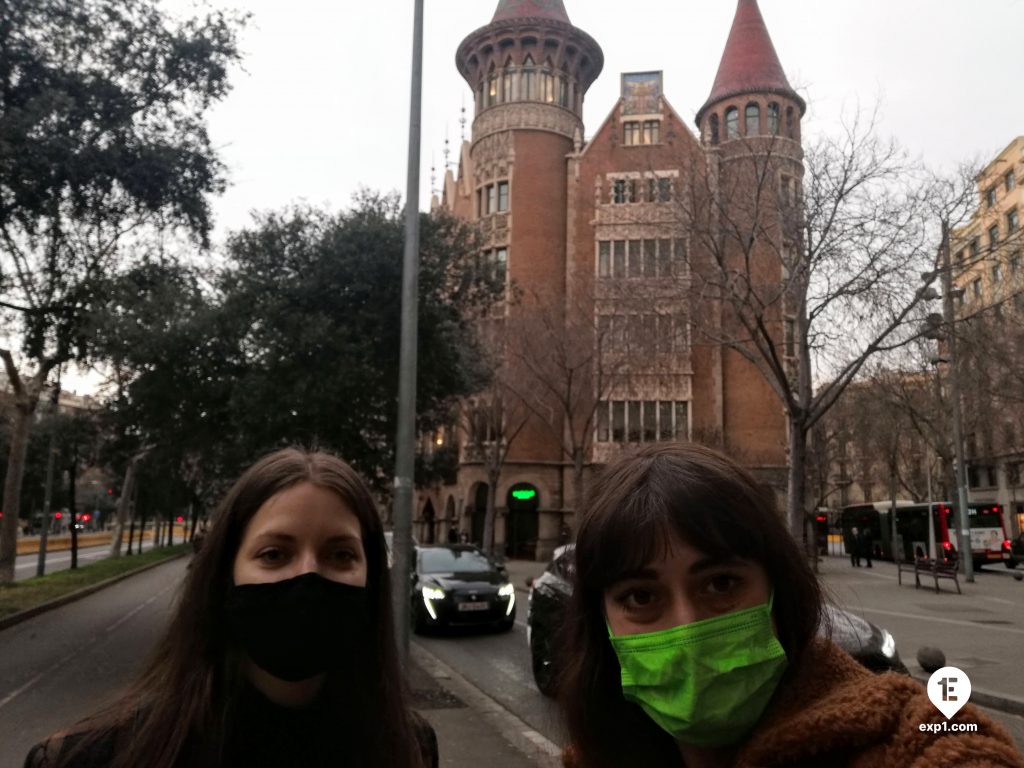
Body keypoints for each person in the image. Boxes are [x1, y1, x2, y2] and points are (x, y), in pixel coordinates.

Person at [558, 443, 1024, 768]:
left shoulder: (908, 736)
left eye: (721, 584)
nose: (688, 626)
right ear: (601, 620)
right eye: (640, 597)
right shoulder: (597, 754)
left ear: (779, 588)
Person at [26, 448, 438, 768]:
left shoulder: (409, 748)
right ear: (226, 574)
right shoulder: (90, 759)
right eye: (275, 554)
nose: (309, 575)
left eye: (341, 554)